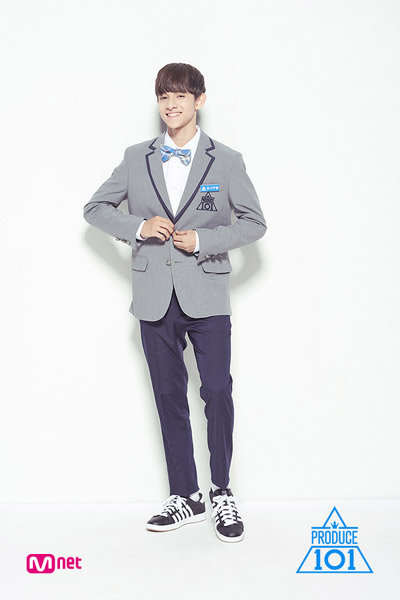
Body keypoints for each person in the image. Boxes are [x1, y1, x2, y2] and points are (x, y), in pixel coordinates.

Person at [83, 62, 267, 543]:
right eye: (164, 96)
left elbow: (254, 223)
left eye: (181, 95)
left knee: (217, 391)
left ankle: (221, 491)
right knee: (168, 396)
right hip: (153, 296)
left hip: (207, 294)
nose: (171, 104)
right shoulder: (135, 157)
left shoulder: (226, 160)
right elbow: (95, 208)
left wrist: (204, 241)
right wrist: (138, 227)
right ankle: (186, 495)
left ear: (199, 100)